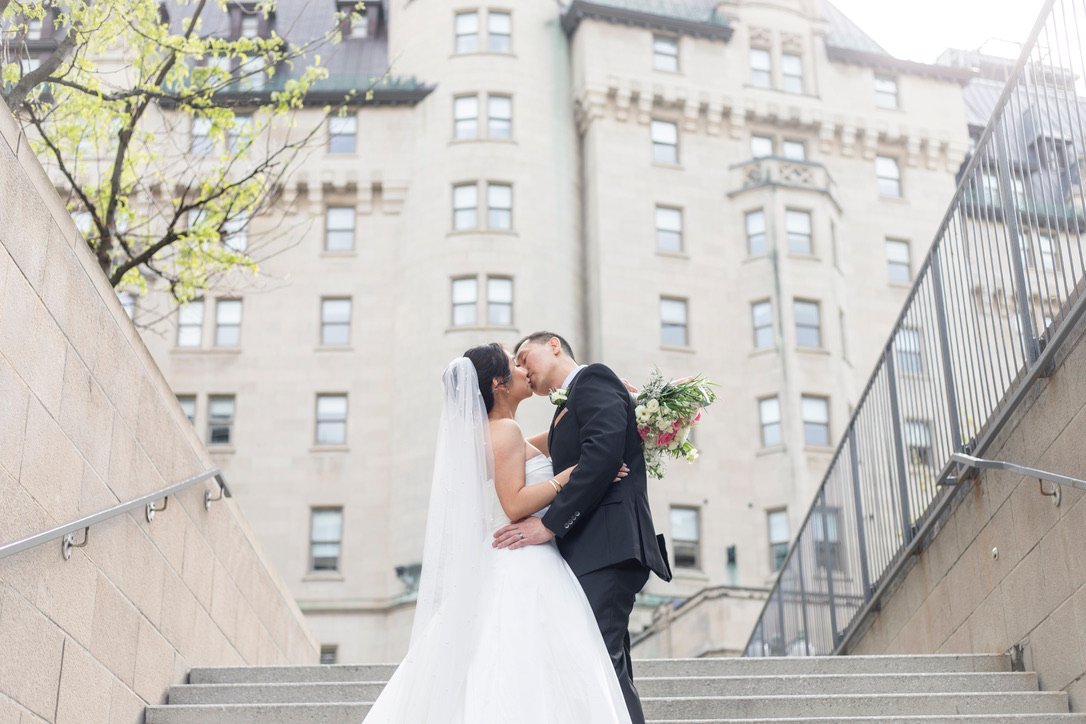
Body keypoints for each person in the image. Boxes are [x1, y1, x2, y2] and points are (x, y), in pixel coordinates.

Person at [363, 343, 633, 723]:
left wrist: (608, 400)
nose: (524, 370)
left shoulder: (500, 432)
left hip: (513, 557)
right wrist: (571, 475)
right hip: (524, 558)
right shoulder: (504, 430)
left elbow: (544, 444)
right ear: (498, 383)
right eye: (515, 364)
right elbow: (515, 504)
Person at [495, 332, 672, 724]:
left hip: (608, 547)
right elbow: (557, 452)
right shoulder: (568, 407)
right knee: (606, 670)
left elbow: (603, 452)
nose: (524, 369)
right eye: (517, 365)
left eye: (526, 358)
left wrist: (550, 527)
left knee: (598, 667)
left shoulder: (593, 379)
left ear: (554, 345)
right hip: (592, 550)